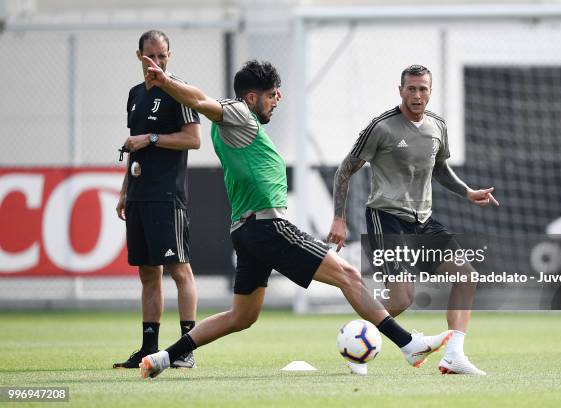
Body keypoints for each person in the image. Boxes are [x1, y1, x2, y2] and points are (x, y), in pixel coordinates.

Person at [136, 58, 452, 379]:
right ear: (251, 97)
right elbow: (200, 100)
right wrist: (166, 82)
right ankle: (408, 343)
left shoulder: (236, 124)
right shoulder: (238, 113)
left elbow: (203, 101)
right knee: (349, 275)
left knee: (241, 317)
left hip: (245, 230)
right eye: (273, 94)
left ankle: (163, 357)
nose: (278, 99)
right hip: (267, 226)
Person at [327, 64, 499, 376]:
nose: (417, 95)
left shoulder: (438, 127)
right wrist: (339, 218)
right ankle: (357, 344)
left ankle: (454, 356)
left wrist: (468, 192)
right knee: (402, 298)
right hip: (386, 218)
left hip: (424, 221)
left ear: (430, 91)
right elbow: (344, 170)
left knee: (467, 276)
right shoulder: (381, 127)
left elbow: (440, 168)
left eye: (423, 89)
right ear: (401, 90)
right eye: (411, 89)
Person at [113, 30, 201, 370]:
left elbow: (193, 140)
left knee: (180, 271)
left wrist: (149, 138)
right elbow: (133, 147)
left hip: (167, 197)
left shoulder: (177, 91)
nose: (157, 62)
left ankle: (186, 349)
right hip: (139, 196)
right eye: (151, 56)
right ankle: (148, 349)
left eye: (162, 56)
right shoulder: (135, 95)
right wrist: (124, 191)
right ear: (139, 56)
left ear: (170, 55)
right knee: (149, 274)